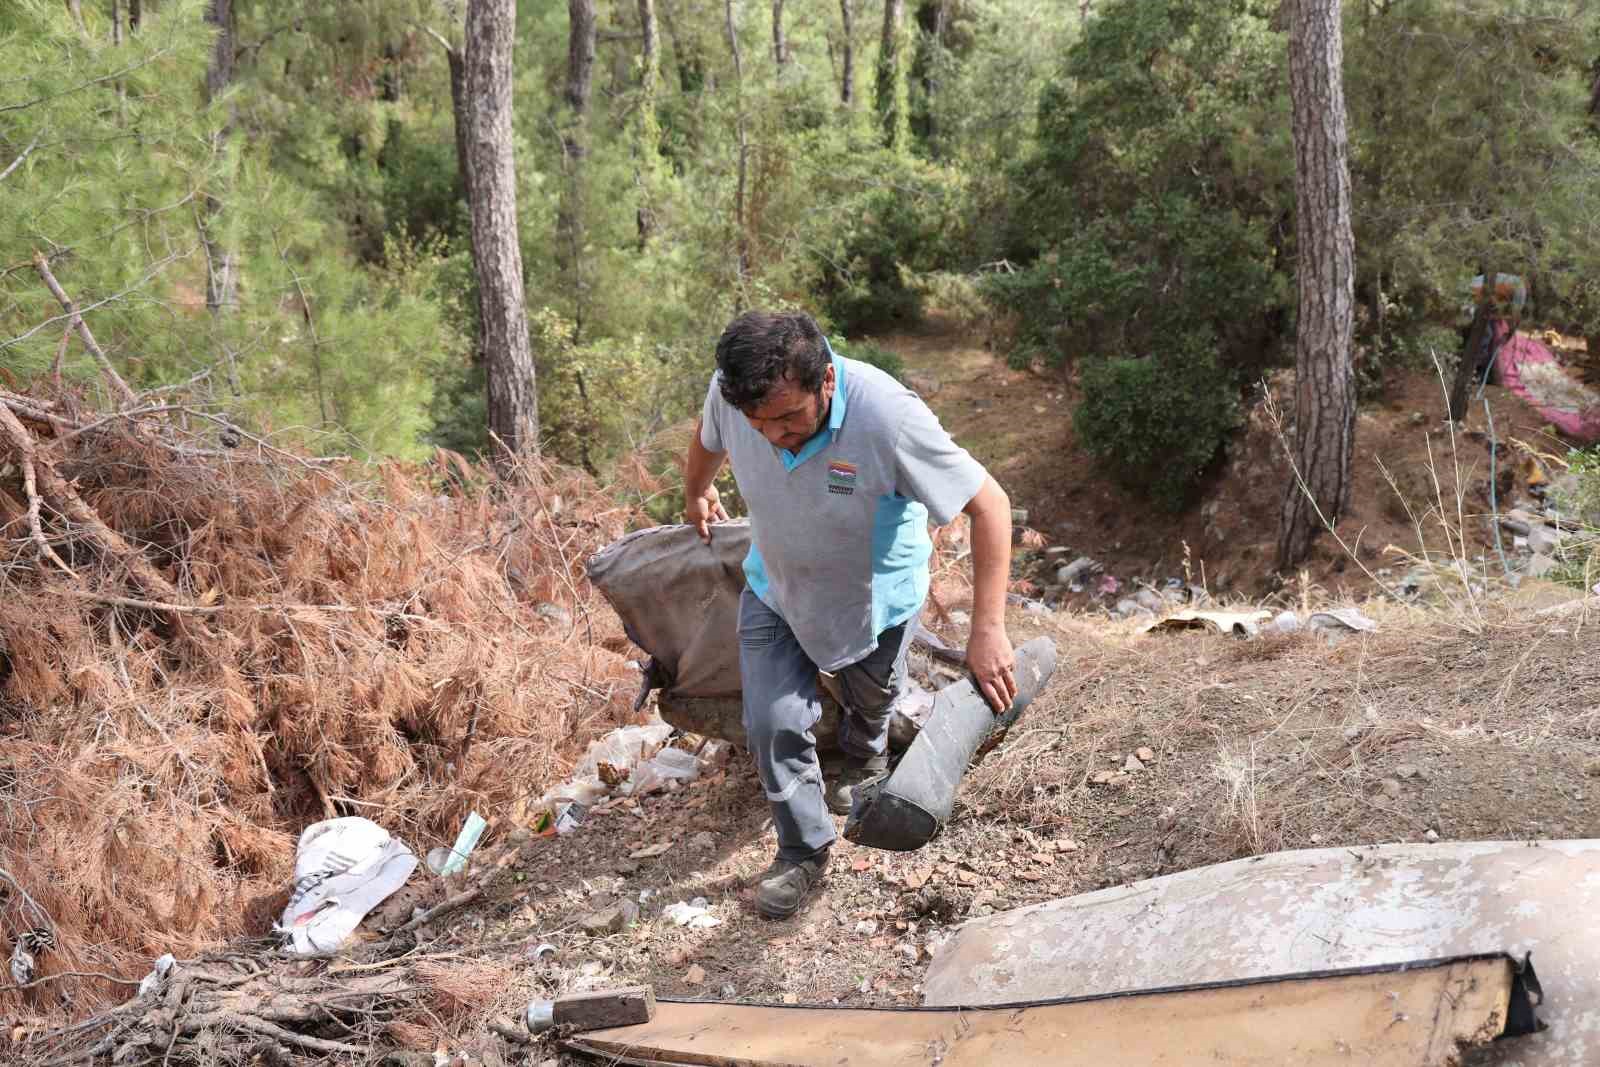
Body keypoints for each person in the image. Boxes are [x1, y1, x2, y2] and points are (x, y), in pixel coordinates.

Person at [682, 310, 1017, 919]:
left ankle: (865, 756)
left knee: (871, 699)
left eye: (789, 418)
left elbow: (991, 505)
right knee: (770, 722)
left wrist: (987, 630)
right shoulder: (733, 394)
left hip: (871, 601)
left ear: (826, 382)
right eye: (760, 425)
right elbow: (708, 441)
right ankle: (802, 851)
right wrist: (697, 489)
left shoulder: (887, 417)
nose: (775, 436)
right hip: (776, 587)